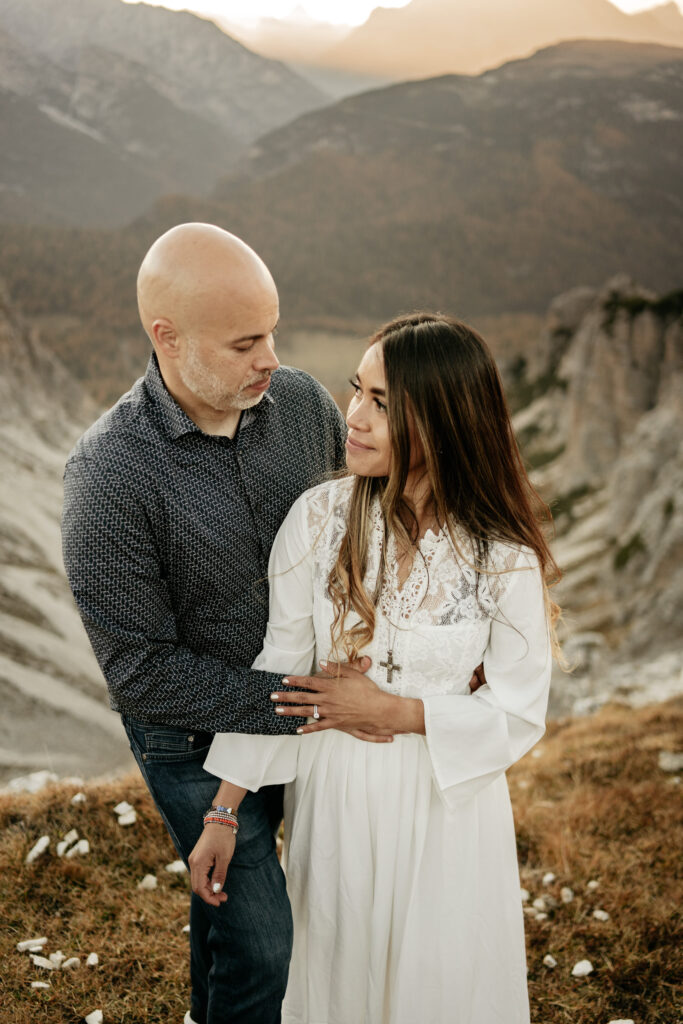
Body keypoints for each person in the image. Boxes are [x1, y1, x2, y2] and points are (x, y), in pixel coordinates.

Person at [191, 313, 561, 1024]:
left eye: (383, 403)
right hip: (335, 801)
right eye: (356, 390)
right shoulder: (317, 520)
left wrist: (395, 712)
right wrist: (224, 810)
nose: (353, 416)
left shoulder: (501, 554)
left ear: (445, 421)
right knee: (340, 976)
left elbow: (519, 711)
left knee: (439, 988)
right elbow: (279, 671)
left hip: (448, 809)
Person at [61, 223, 353, 1024]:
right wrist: (300, 702)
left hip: (308, 711)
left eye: (273, 332)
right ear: (168, 338)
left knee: (249, 908)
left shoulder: (302, 405)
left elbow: (354, 539)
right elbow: (139, 673)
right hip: (190, 741)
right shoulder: (108, 475)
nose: (271, 358)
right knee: (262, 946)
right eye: (245, 343)